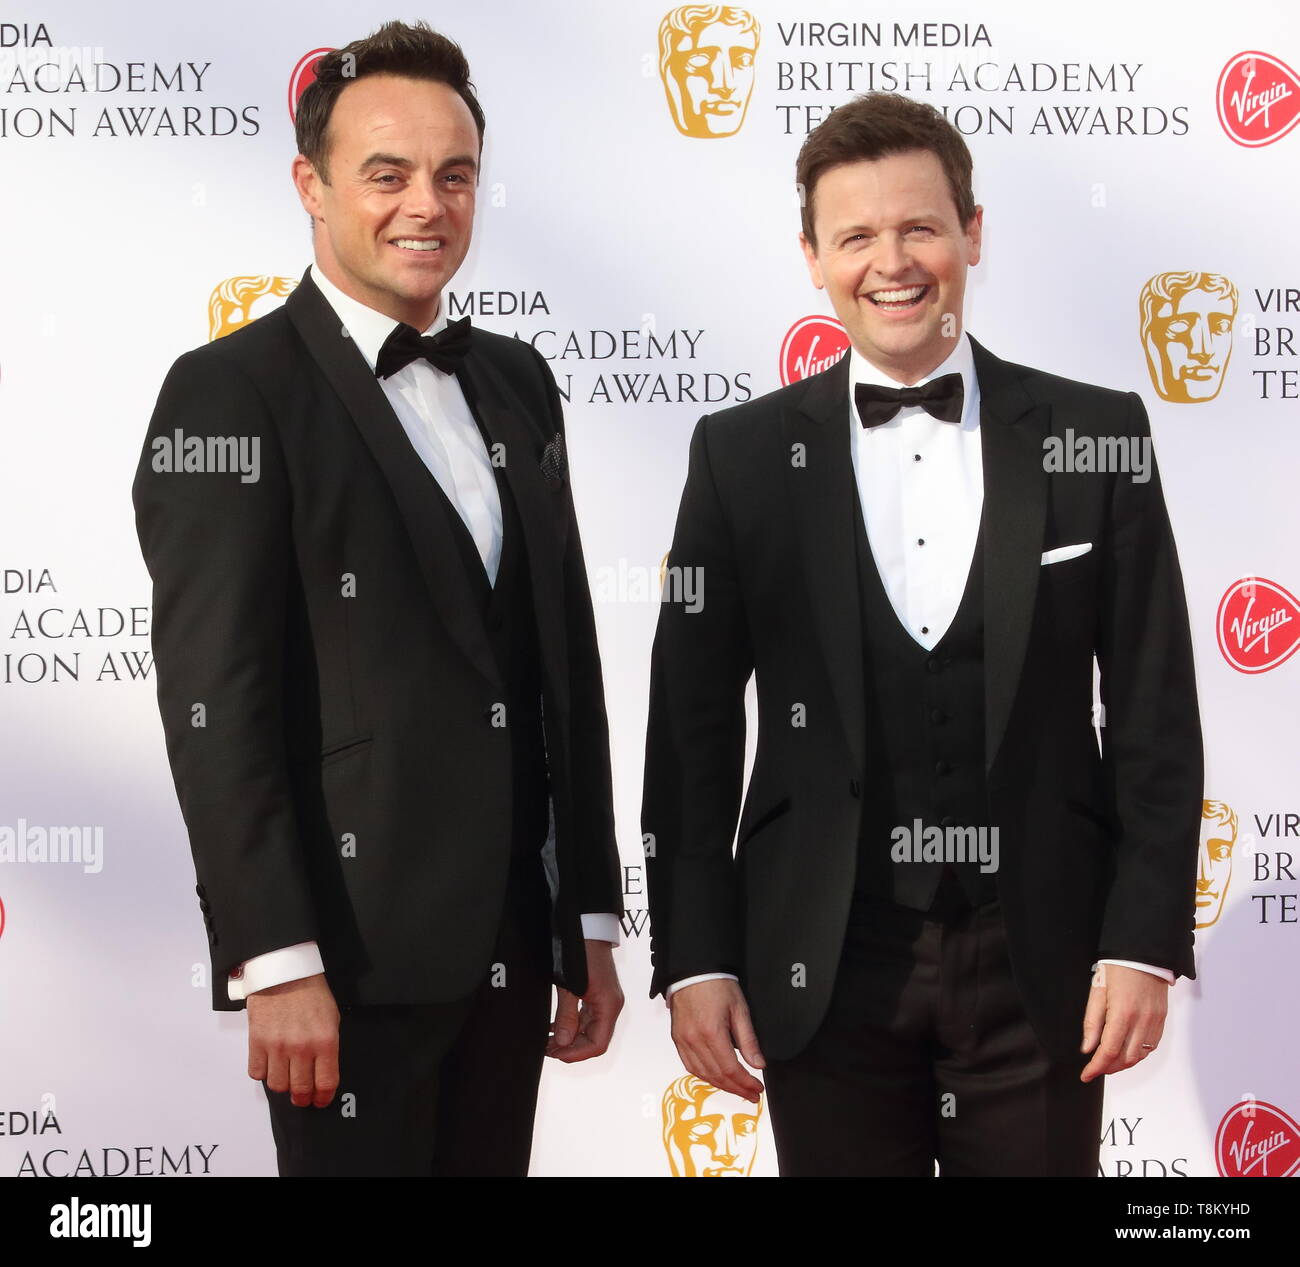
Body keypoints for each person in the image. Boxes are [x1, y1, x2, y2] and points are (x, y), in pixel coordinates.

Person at [641, 91, 1202, 1176]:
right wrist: (696, 958)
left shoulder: (1094, 433)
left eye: (918, 228)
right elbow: (689, 735)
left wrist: (1141, 939)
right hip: (823, 959)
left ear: (971, 233)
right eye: (854, 235)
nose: (889, 262)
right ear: (811, 255)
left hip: (1040, 960)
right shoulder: (741, 457)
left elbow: (1152, 711)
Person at [133, 19, 624, 1177]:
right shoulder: (228, 393)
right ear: (310, 185)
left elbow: (566, 659)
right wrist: (274, 957)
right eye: (387, 174)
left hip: (511, 946)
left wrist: (586, 915)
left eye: (454, 176)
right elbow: (217, 706)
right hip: (343, 966)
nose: (427, 205)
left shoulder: (518, 380)